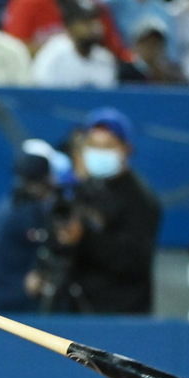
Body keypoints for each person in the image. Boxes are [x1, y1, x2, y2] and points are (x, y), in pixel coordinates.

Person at [35, 107, 161, 313]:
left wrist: (84, 238)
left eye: (108, 145)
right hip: (76, 306)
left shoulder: (140, 199)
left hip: (120, 312)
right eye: (93, 145)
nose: (99, 152)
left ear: (126, 148)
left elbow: (132, 261)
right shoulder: (83, 188)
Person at [0, 139, 58, 312]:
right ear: (43, 181)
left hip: (5, 299)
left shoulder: (11, 205)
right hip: (10, 304)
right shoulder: (22, 212)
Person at [2, 0, 131, 60]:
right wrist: (66, 45)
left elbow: (116, 53)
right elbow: (13, 50)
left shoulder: (95, 7)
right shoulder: (29, 0)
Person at [31, 0, 118, 88]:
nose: (94, 27)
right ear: (70, 26)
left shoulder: (104, 58)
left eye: (96, 21)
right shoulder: (53, 53)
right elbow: (41, 93)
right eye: (86, 22)